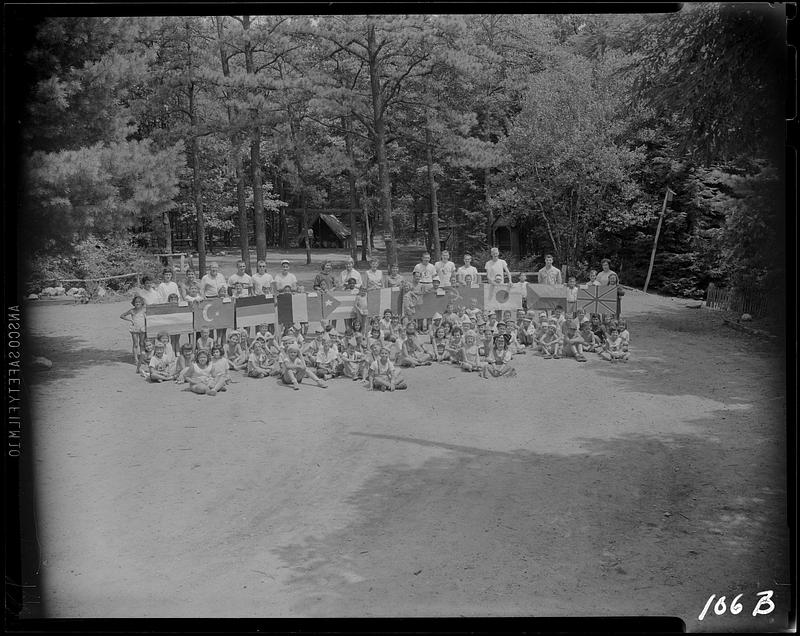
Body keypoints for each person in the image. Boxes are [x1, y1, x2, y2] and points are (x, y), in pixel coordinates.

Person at [120, 295, 147, 370]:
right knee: (135, 344)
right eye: (136, 302)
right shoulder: (132, 310)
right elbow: (122, 316)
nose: (137, 303)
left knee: (142, 344)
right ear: (133, 303)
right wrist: (130, 320)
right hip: (134, 329)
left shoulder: (144, 310)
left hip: (142, 328)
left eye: (139, 302)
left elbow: (148, 317)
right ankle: (136, 359)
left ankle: (142, 359)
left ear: (142, 303)